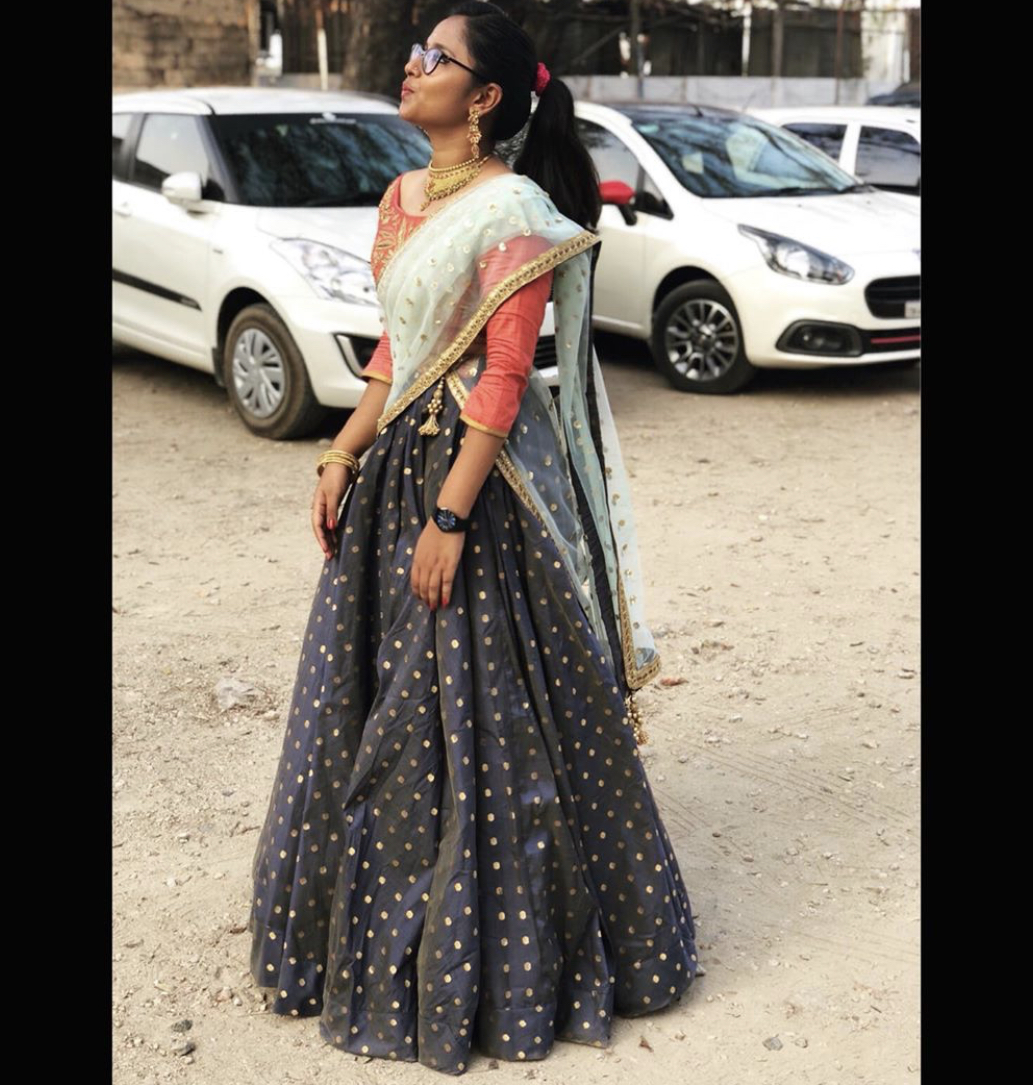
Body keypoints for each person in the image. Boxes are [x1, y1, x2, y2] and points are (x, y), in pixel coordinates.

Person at [248, 2, 698, 1074]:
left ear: (484, 97)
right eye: (415, 54)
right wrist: (341, 452)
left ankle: (501, 947)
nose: (411, 68)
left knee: (479, 699)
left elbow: (501, 375)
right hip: (395, 472)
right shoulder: (401, 196)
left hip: (476, 489)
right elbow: (397, 349)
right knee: (368, 693)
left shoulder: (515, 210)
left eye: (434, 58)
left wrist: (450, 516)